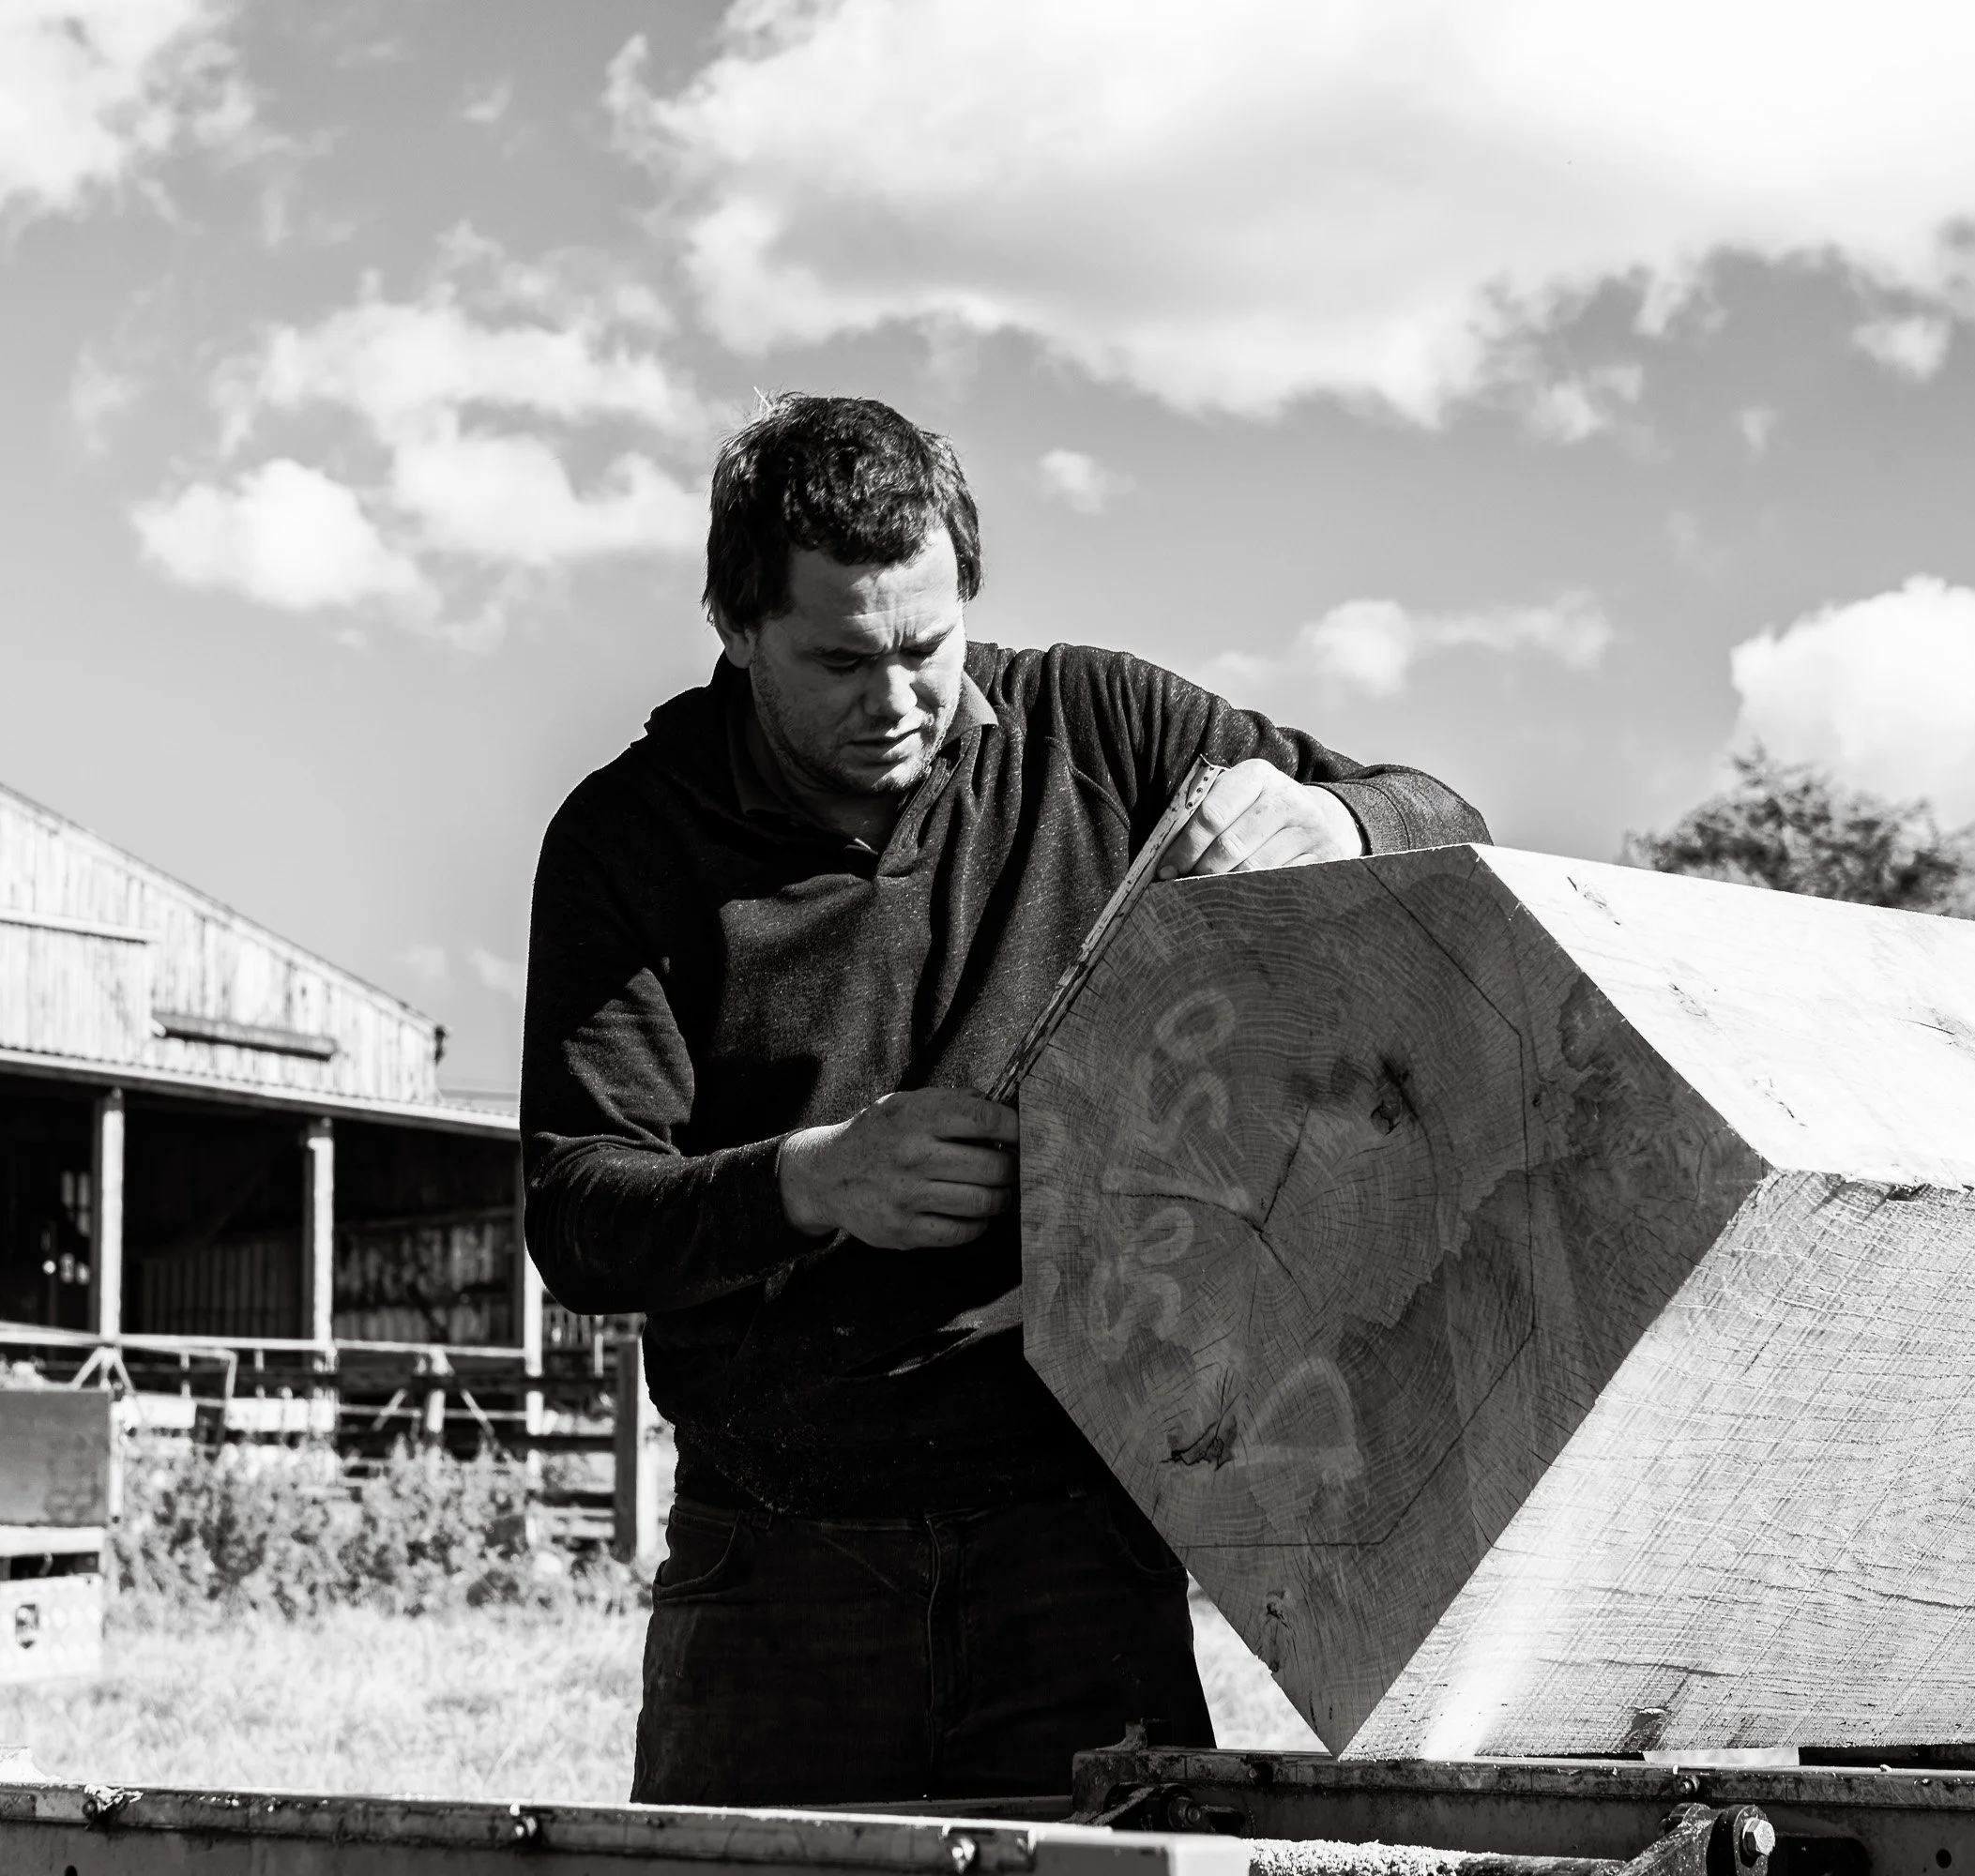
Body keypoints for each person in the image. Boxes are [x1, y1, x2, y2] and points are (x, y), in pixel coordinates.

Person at [521, 393, 1489, 1808]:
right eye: (842, 661)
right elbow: (577, 1208)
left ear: (966, 590)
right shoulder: (628, 840)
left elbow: (1444, 821)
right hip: (779, 1571)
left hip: (1082, 1554)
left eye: (926, 645)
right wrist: (812, 1179)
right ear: (734, 629)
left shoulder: (1101, 728)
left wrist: (1336, 823)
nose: (899, 701)